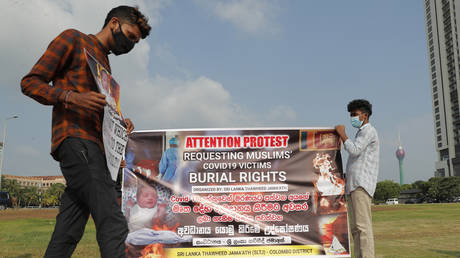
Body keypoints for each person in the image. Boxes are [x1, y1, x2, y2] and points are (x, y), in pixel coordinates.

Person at [20, 6, 151, 258]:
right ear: (114, 23)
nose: (131, 44)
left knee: (68, 229)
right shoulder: (73, 38)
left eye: (135, 41)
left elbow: (98, 110)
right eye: (131, 36)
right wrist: (70, 97)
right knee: (112, 220)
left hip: (97, 150)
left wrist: (120, 123)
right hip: (75, 140)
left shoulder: (104, 65)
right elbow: (30, 82)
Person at [335, 99, 379, 258]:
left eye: (355, 114)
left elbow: (355, 150)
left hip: (361, 185)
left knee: (363, 227)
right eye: (351, 115)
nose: (352, 117)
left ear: (365, 116)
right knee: (355, 228)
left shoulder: (369, 131)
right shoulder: (360, 133)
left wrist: (342, 134)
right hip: (353, 186)